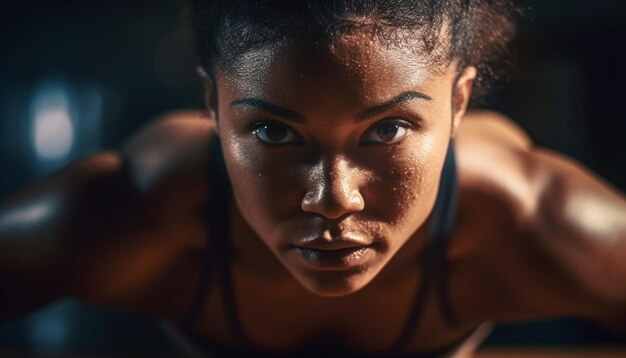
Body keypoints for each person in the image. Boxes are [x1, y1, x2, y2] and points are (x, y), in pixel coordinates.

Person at [1, 0, 625, 356]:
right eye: (274, 132)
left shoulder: (531, 218)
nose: (333, 198)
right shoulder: (145, 211)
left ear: (460, 104)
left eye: (388, 130)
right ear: (214, 106)